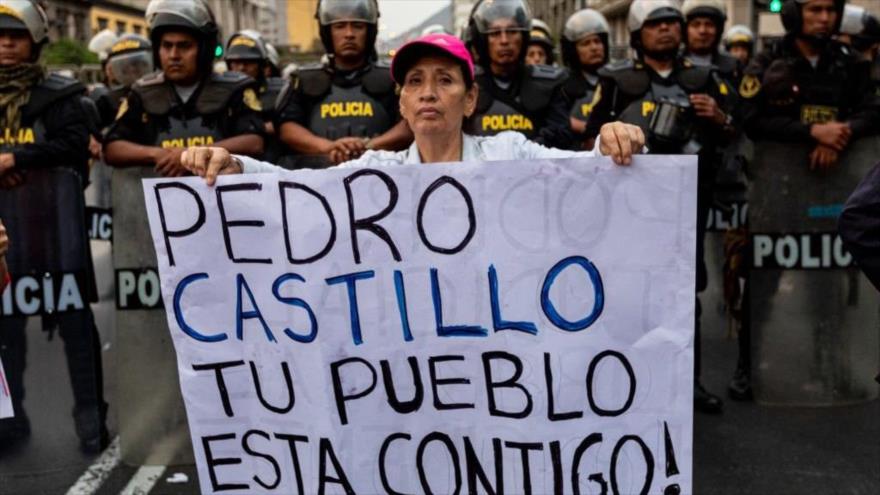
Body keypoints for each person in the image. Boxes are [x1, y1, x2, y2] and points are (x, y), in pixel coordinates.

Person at [179, 33, 645, 182]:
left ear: (470, 99)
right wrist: (235, 164)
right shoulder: (377, 170)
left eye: (445, 80)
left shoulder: (509, 153)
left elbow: (584, 171)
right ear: (401, 102)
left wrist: (613, 142)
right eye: (415, 82)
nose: (428, 93)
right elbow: (300, 189)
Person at [585, 0, 735, 414]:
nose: (666, 31)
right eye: (656, 25)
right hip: (628, 206)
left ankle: (690, 380)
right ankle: (624, 381)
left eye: (672, 23)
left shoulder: (705, 77)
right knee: (625, 291)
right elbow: (589, 142)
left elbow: (736, 132)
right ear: (638, 34)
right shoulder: (615, 81)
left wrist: (718, 117)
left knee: (688, 290)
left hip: (688, 202)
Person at [0, 0, 108, 452]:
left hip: (56, 234)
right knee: (6, 329)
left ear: (36, 41)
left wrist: (18, 159)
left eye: (16, 36)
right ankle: (11, 415)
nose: (5, 44)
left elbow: (73, 146)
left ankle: (90, 417)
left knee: (76, 325)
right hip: (3, 243)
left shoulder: (63, 97)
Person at [104, 0, 264, 174]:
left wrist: (192, 155)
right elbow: (112, 148)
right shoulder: (141, 92)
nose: (174, 55)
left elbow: (255, 141)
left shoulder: (235, 89)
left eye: (184, 46)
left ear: (204, 50)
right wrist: (157, 154)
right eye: (167, 46)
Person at [742, 0, 880, 170]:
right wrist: (811, 131)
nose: (825, 18)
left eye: (831, 10)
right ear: (794, 14)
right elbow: (749, 117)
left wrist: (840, 134)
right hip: (777, 173)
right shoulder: (766, 62)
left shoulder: (851, 62)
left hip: (843, 177)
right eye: (815, 10)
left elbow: (872, 110)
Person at [274, 0, 412, 167]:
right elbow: (287, 128)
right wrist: (328, 147)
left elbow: (411, 124)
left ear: (370, 31)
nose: (349, 34)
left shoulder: (394, 78)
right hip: (315, 178)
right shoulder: (302, 80)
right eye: (339, 26)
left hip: (383, 174)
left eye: (357, 26)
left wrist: (368, 147)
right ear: (327, 32)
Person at [466, 0, 575, 149]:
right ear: (482, 40)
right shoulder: (467, 86)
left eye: (512, 31)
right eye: (495, 33)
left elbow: (562, 135)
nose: (504, 41)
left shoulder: (549, 84)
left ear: (524, 36)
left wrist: (523, 154)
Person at [224, 29, 286, 163]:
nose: (241, 68)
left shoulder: (281, 91)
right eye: (235, 63)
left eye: (248, 62)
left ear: (262, 65)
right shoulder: (221, 98)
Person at [560, 8, 611, 144]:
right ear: (573, 50)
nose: (594, 47)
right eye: (585, 43)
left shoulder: (618, 81)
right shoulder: (562, 84)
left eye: (597, 41)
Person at [91, 34, 154, 129]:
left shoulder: (164, 92)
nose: (132, 69)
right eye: (124, 67)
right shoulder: (107, 100)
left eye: (137, 64)